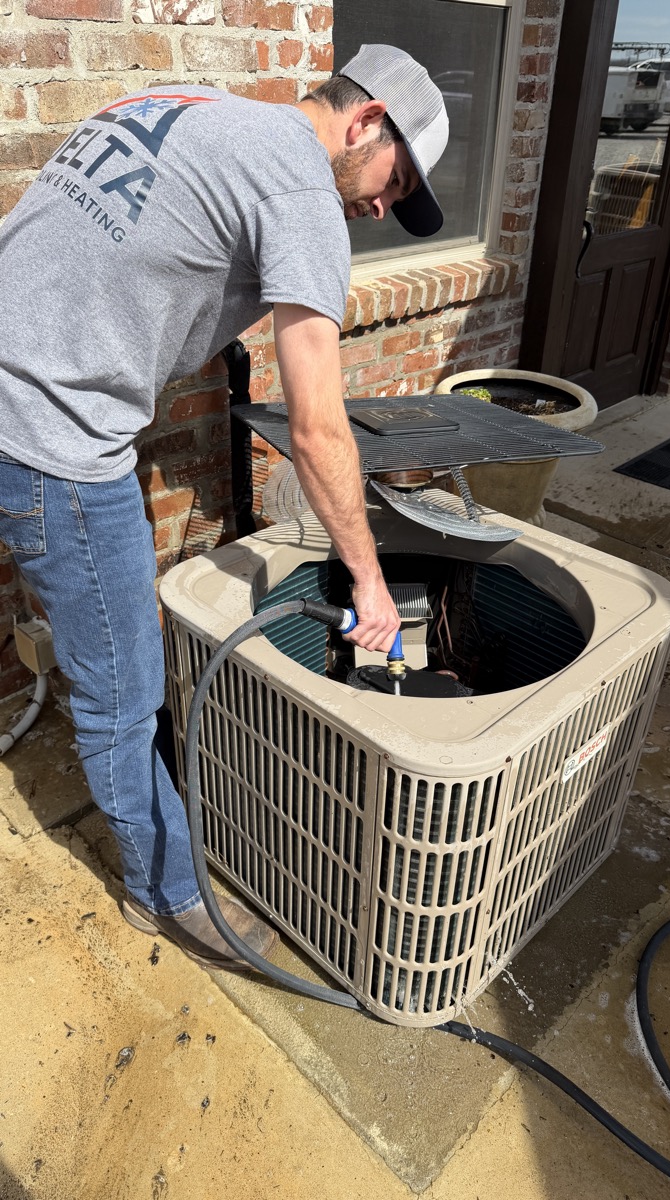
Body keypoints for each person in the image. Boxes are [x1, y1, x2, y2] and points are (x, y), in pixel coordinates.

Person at [0, 44, 449, 968]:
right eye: (394, 181)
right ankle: (165, 894)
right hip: (49, 437)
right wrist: (367, 581)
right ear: (366, 122)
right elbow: (317, 429)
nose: (382, 208)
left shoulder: (187, 104)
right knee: (123, 695)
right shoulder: (301, 188)